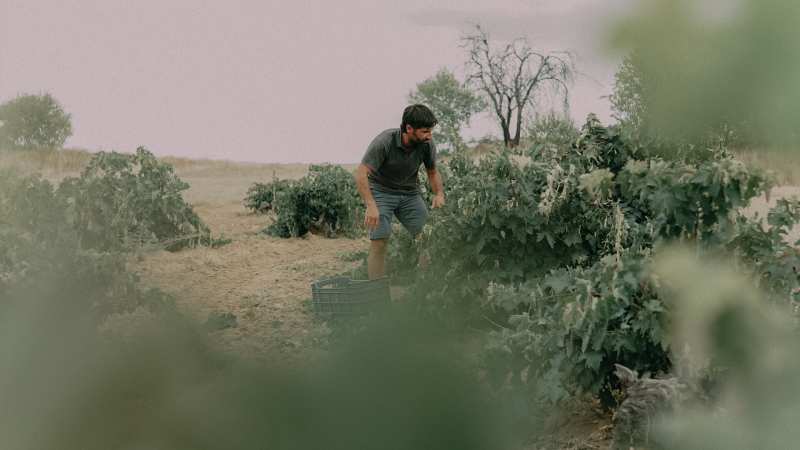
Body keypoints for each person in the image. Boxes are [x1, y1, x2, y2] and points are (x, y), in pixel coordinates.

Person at [355, 104, 445, 279]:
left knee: (428, 238)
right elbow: (361, 173)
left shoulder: (427, 144)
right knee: (379, 242)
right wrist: (371, 205)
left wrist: (439, 194)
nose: (429, 136)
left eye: (430, 131)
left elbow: (432, 172)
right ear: (409, 128)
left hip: (409, 193)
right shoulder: (385, 141)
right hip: (381, 191)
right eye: (425, 131)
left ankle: (424, 286)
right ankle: (377, 293)